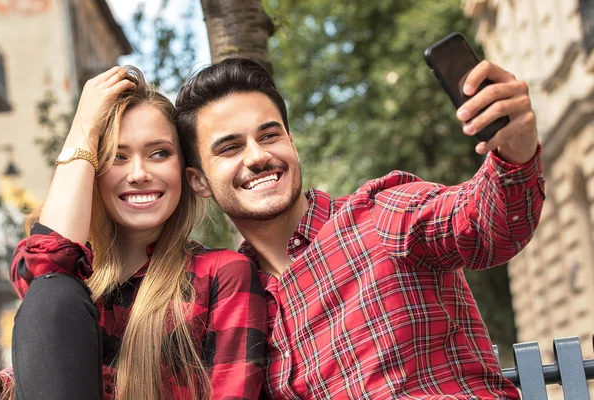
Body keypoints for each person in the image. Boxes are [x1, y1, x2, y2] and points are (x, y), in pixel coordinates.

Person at [174, 57, 544, 399]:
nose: (257, 156)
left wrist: (515, 149)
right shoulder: (236, 301)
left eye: (269, 135)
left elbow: (486, 224)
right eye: (230, 148)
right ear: (199, 181)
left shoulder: (381, 214)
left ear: (293, 144)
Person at [0, 66, 267, 400]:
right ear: (91, 170)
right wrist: (83, 132)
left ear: (184, 171)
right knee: (53, 295)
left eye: (159, 153)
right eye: (117, 156)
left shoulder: (220, 275)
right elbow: (42, 272)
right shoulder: (73, 292)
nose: (139, 173)